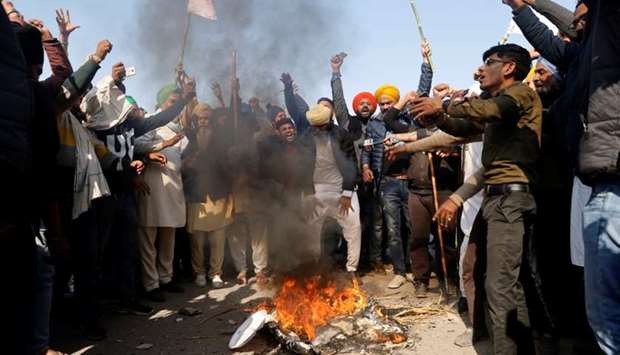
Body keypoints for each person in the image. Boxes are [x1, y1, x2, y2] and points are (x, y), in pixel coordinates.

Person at [412, 43, 542, 354]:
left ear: (508, 68)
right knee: (500, 281)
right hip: (496, 200)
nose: (479, 70)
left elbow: (490, 111)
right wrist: (438, 118)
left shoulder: (519, 95)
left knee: (500, 286)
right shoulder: (496, 103)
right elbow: (463, 125)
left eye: (488, 63)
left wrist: (442, 107)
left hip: (510, 200)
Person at [82, 64, 196, 313]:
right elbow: (88, 100)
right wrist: (107, 75)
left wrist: (185, 99)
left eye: (122, 97)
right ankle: (90, 309)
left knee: (127, 248)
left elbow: (161, 118)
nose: (122, 103)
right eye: (116, 96)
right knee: (97, 252)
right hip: (102, 195)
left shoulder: (131, 128)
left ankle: (128, 298)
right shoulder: (97, 125)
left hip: (126, 196)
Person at [368, 41, 434, 290]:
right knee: (393, 229)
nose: (385, 106)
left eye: (389, 102)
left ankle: (419, 271)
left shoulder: (410, 121)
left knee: (415, 229)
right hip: (388, 184)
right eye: (382, 103)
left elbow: (423, 92)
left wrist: (426, 63)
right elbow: (387, 119)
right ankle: (399, 270)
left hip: (412, 183)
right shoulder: (379, 123)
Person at [134, 85, 189, 302]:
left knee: (169, 233)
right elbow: (137, 143)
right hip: (154, 185)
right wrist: (159, 147)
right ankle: (151, 283)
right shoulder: (151, 121)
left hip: (174, 187)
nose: (174, 105)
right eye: (171, 101)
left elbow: (183, 150)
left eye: (177, 101)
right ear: (162, 101)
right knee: (149, 235)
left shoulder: (176, 126)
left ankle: (166, 277)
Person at [329, 53, 382, 272]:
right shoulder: (347, 123)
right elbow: (339, 101)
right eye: (360, 103)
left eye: (368, 103)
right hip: (351, 183)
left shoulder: (380, 125)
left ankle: (375, 260)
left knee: (376, 224)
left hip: (377, 182)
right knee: (352, 224)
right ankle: (351, 263)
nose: (364, 105)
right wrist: (335, 74)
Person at [298, 104, 361, 277]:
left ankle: (351, 270)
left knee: (353, 227)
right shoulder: (305, 138)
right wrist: (308, 194)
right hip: (315, 188)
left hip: (341, 187)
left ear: (329, 121)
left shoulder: (341, 134)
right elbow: (301, 168)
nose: (318, 129)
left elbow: (351, 164)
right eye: (315, 127)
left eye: (322, 126)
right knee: (311, 230)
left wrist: (347, 193)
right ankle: (314, 267)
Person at [183, 106, 235, 288]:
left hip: (218, 193)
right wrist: (190, 162)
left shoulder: (221, 140)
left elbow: (230, 165)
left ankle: (216, 273)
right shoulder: (188, 139)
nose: (203, 122)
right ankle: (199, 272)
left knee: (218, 238)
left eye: (206, 118)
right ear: (196, 121)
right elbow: (182, 165)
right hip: (197, 195)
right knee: (197, 240)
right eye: (200, 119)